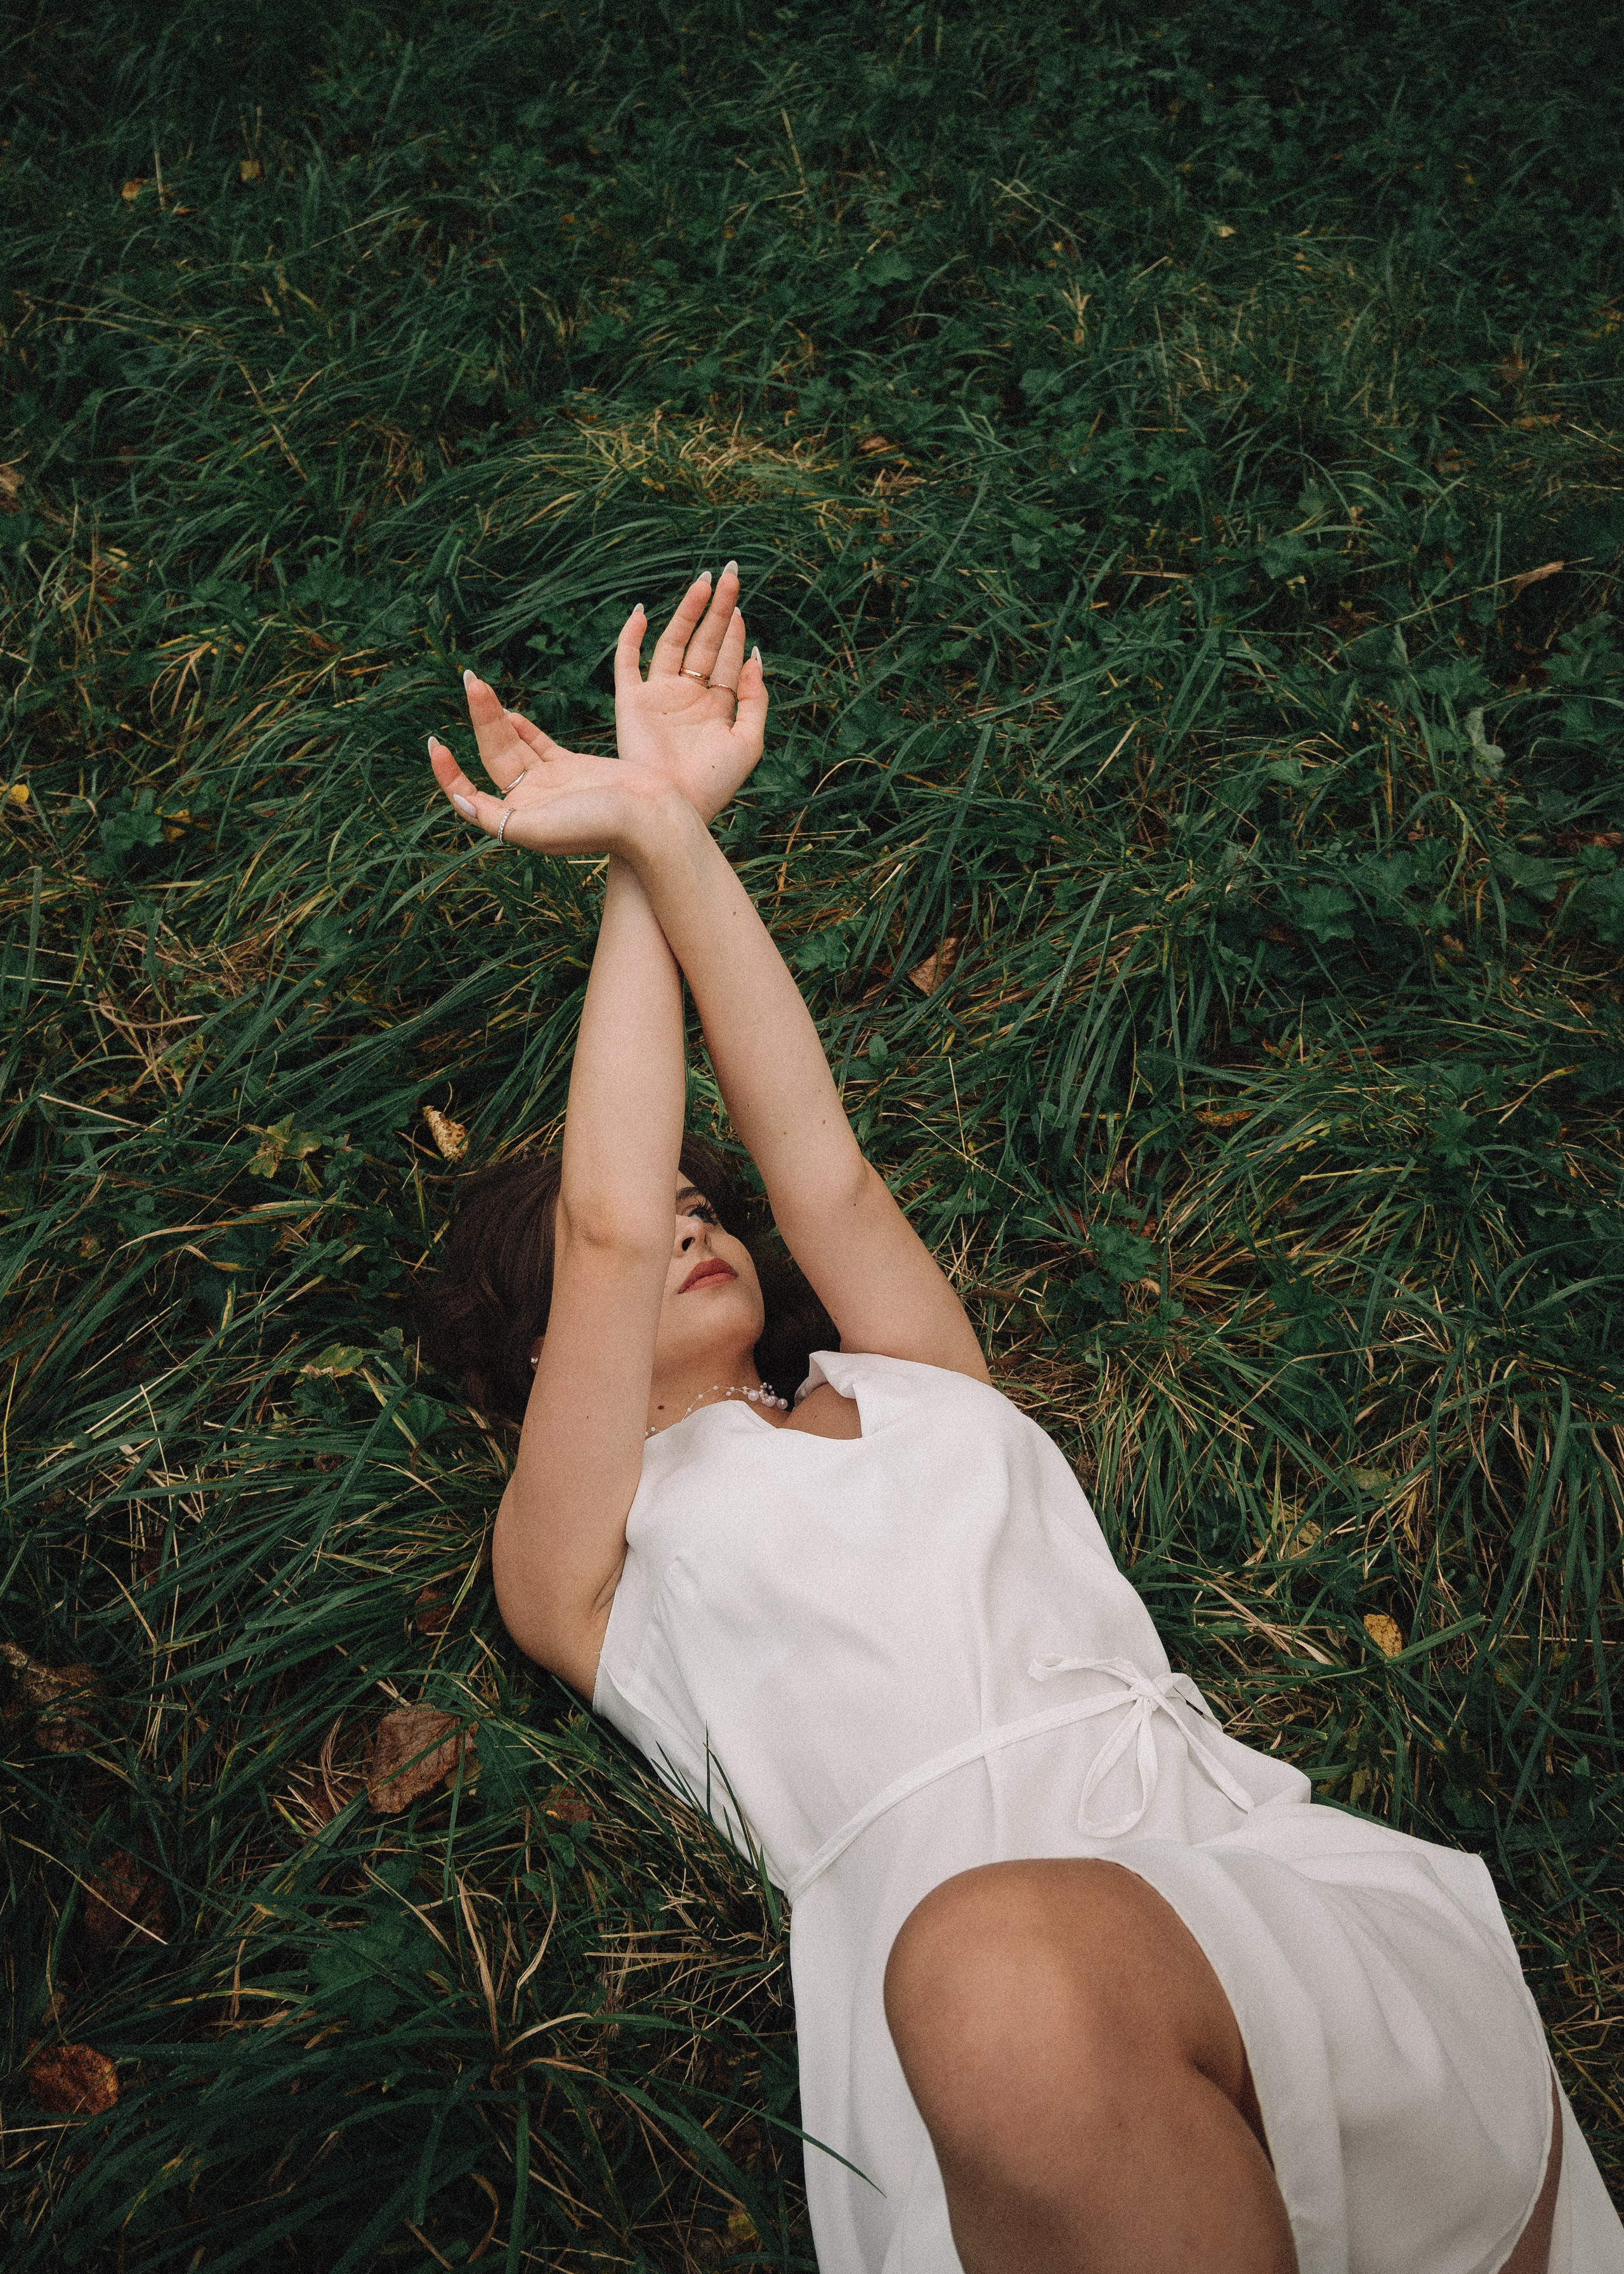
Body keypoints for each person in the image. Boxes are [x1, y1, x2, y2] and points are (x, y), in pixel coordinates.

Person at [421, 568, 1622, 2274]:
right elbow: (606, 1221)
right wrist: (631, 847)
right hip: (967, 2018)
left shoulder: (916, 1380)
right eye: (632, 1236)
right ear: (545, 1371)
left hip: (1234, 1889)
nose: (688, 1217)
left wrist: (680, 836)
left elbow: (812, 1155)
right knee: (993, 1990)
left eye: (709, 1204)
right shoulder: (587, 1572)